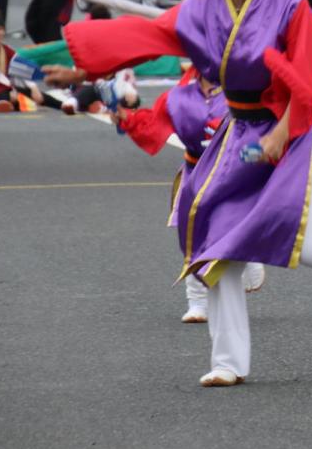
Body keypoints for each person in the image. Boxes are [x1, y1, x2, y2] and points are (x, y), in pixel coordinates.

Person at [62, 0, 312, 386]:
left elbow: (306, 85)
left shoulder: (289, 5)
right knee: (218, 242)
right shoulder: (202, 9)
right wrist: (79, 65)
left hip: (299, 126)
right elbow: (145, 35)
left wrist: (279, 136)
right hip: (240, 130)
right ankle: (228, 362)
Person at [114, 66, 266, 322]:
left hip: (234, 171)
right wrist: (126, 116)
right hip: (196, 171)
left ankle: (247, 257)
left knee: (233, 228)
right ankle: (197, 302)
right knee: (194, 234)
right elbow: (154, 123)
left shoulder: (244, 80)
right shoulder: (183, 90)